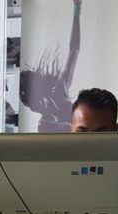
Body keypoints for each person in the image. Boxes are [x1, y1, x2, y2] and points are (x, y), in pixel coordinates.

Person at [20, 0, 81, 132]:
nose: (35, 109)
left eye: (36, 104)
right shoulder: (43, 125)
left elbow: (74, 50)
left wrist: (77, 9)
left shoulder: (60, 88)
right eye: (32, 107)